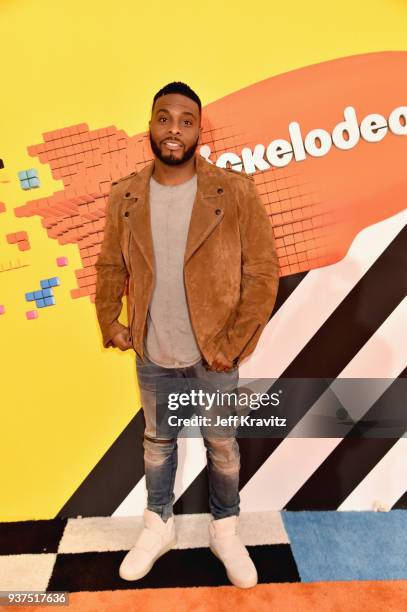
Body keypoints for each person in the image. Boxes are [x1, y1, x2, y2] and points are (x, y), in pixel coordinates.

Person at [95, 81, 279, 589]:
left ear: (198, 129)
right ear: (150, 125)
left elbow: (262, 273)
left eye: (185, 120)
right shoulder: (126, 195)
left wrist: (234, 343)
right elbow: (111, 265)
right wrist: (112, 321)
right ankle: (158, 526)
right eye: (164, 118)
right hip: (153, 351)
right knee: (157, 443)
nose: (174, 129)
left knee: (222, 444)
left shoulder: (234, 191)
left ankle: (225, 529)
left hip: (215, 354)